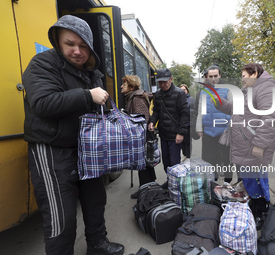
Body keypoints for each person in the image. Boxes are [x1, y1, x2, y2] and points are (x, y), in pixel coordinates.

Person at [23, 15, 124, 255]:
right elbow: (43, 103)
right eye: (70, 44)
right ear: (58, 41)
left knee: (95, 200)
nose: (77, 51)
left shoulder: (93, 73)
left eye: (84, 46)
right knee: (62, 215)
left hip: (87, 149)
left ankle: (97, 244)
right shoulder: (42, 64)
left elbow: (103, 109)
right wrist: (88, 95)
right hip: (52, 149)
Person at [213, 63, 275, 229]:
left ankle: (261, 214)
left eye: (243, 76)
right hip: (244, 145)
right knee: (248, 181)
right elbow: (235, 109)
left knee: (255, 181)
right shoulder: (250, 91)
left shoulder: (266, 89)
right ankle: (252, 210)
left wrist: (260, 144)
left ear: (255, 73)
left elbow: (272, 117)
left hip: (252, 145)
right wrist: (220, 103)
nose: (241, 79)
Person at [148, 68, 189, 188]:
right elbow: (156, 111)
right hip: (163, 134)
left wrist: (181, 133)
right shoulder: (158, 94)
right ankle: (170, 181)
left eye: (165, 81)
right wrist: (152, 122)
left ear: (171, 79)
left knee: (174, 162)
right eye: (160, 82)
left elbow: (185, 114)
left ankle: (176, 185)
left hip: (175, 135)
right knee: (166, 162)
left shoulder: (179, 93)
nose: (163, 84)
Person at [120, 75, 156, 198]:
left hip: (141, 136)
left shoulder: (136, 98)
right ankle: (150, 186)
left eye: (124, 84)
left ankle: (145, 190)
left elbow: (143, 118)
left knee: (143, 164)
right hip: (140, 136)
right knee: (145, 163)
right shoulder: (132, 97)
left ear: (131, 86)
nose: (121, 86)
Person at [195, 65, 233, 182]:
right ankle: (212, 182)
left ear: (220, 75)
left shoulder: (227, 89)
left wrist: (231, 126)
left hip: (224, 130)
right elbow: (201, 110)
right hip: (208, 131)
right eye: (210, 76)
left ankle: (227, 182)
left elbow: (232, 109)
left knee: (226, 159)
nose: (213, 78)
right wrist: (199, 127)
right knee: (209, 159)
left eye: (215, 76)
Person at [179, 84, 195, 160]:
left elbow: (195, 110)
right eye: (181, 90)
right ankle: (184, 154)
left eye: (184, 89)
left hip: (189, 124)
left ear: (187, 90)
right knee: (182, 141)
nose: (183, 91)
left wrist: (187, 111)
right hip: (180, 124)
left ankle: (188, 157)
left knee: (188, 141)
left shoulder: (191, 99)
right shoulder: (177, 99)